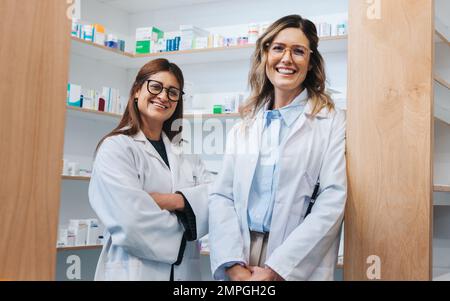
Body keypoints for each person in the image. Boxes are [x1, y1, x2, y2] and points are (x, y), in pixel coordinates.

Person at [208, 15, 347, 281]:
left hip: (293, 259)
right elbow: (221, 197)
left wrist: (276, 270)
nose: (287, 59)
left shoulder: (330, 121)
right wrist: (232, 264)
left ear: (310, 61)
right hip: (241, 256)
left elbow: (332, 199)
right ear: (265, 55)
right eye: (278, 48)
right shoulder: (245, 125)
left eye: (298, 51)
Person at [89, 58, 210, 281]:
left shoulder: (187, 155)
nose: (163, 96)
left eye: (173, 92)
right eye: (155, 87)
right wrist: (190, 216)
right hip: (133, 271)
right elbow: (130, 221)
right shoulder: (116, 148)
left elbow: (214, 200)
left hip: (185, 274)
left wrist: (174, 201)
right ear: (136, 90)